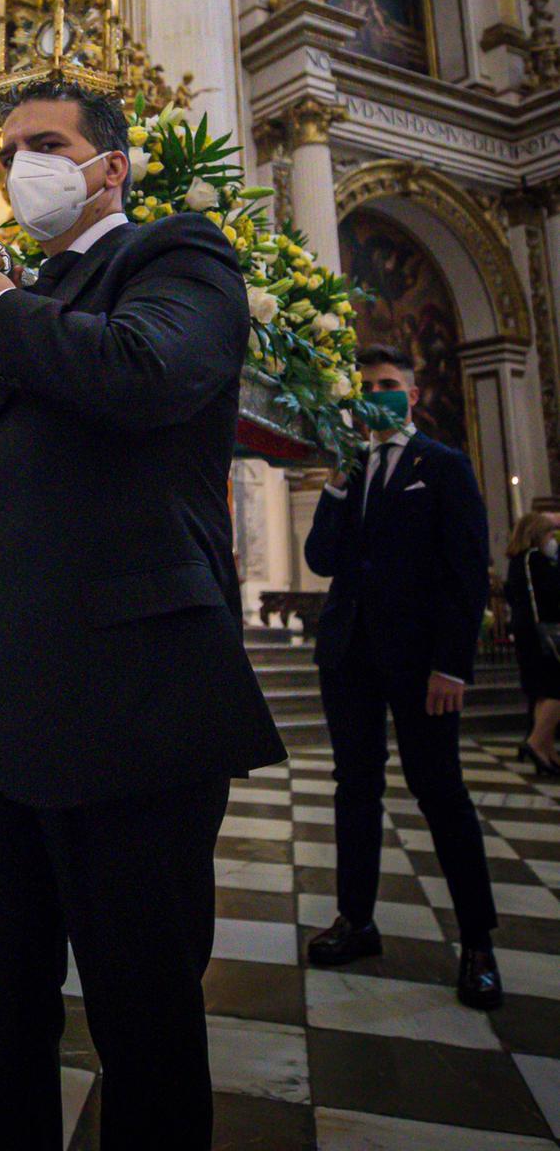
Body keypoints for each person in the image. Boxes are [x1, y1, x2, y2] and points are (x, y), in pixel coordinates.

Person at [0, 80, 283, 1151]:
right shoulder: (5, 312)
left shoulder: (175, 255)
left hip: (127, 705)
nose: (25, 164)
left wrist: (0, 313)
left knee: (143, 1018)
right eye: (10, 148)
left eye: (48, 143)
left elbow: (148, 369)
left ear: (110, 166)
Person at [304, 346, 501, 1009]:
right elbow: (322, 559)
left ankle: (477, 942)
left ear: (411, 394)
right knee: (354, 788)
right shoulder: (352, 468)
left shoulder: (442, 467)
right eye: (367, 387)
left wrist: (453, 662)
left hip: (421, 663)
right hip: (350, 655)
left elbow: (465, 572)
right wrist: (334, 480)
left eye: (388, 385)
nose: (378, 394)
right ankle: (357, 920)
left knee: (440, 791)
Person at [503, 510, 560, 775]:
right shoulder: (534, 558)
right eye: (550, 533)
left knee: (542, 691)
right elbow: (548, 594)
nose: (553, 538)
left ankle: (546, 748)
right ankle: (537, 742)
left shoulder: (518, 559)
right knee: (554, 689)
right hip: (542, 632)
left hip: (529, 632)